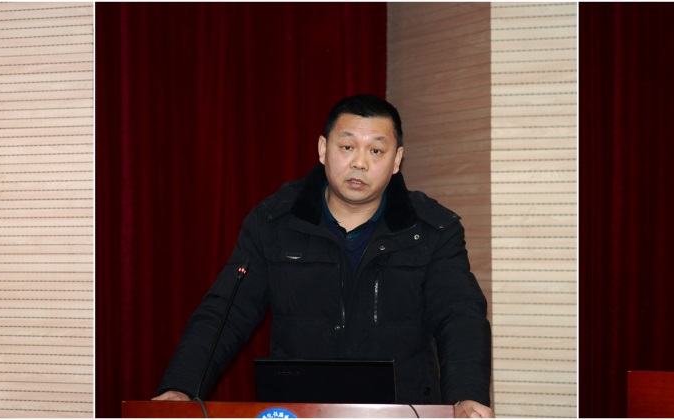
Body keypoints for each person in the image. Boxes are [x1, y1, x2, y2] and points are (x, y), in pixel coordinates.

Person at [152, 95, 494, 417]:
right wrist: (181, 388)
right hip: (296, 412)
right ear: (322, 149)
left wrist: (467, 396)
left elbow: (460, 317)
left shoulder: (433, 230)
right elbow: (226, 313)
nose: (359, 162)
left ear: (396, 161)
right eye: (347, 147)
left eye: (376, 150)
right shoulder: (274, 222)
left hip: (401, 411)